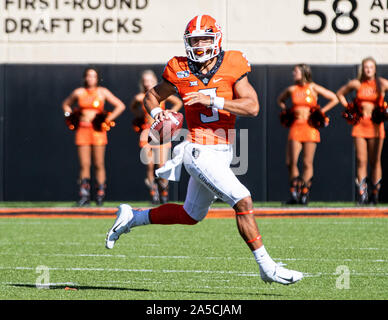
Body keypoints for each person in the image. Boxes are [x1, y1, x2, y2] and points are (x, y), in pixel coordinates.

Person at [105, 14, 303, 285]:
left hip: (222, 150)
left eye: (204, 39)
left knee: (190, 215)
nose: (199, 45)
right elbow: (152, 96)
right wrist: (157, 114)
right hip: (197, 149)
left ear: (216, 39)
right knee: (243, 200)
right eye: (194, 40)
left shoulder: (233, 63)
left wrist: (214, 99)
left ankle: (133, 217)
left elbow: (252, 107)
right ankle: (266, 267)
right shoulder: (179, 68)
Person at [62, 66, 126, 206]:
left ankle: (100, 194)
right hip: (83, 129)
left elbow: (120, 106)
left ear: (97, 78)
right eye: (88, 76)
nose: (90, 78)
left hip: (97, 131)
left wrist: (108, 119)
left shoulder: (102, 92)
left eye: (93, 76)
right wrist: (70, 115)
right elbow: (66, 105)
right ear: (85, 78)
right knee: (84, 164)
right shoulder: (79, 92)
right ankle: (84, 195)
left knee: (99, 163)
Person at [277, 64, 338, 205]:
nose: (293, 73)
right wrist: (286, 110)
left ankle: (304, 193)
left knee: (307, 162)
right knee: (291, 162)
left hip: (310, 127)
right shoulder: (292, 89)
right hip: (296, 126)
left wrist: (321, 111)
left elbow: (334, 98)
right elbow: (280, 99)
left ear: (304, 72)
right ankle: (295, 193)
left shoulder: (313, 87)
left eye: (296, 71)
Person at [336, 57, 388, 205]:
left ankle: (374, 194)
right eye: (366, 67)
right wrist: (349, 109)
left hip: (376, 126)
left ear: (375, 69)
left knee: (375, 161)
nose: (368, 69)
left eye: (371, 67)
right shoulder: (357, 83)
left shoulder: (381, 83)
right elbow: (340, 93)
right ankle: (362, 195)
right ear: (362, 69)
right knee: (361, 160)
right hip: (360, 125)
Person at [129, 70, 183, 204]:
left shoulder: (160, 95)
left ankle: (164, 193)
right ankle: (154, 194)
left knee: (162, 165)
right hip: (147, 132)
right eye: (145, 80)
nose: (147, 83)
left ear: (155, 81)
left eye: (150, 80)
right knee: (149, 165)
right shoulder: (140, 97)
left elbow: (178, 102)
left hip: (161, 133)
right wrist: (139, 116)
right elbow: (133, 108)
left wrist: (170, 114)